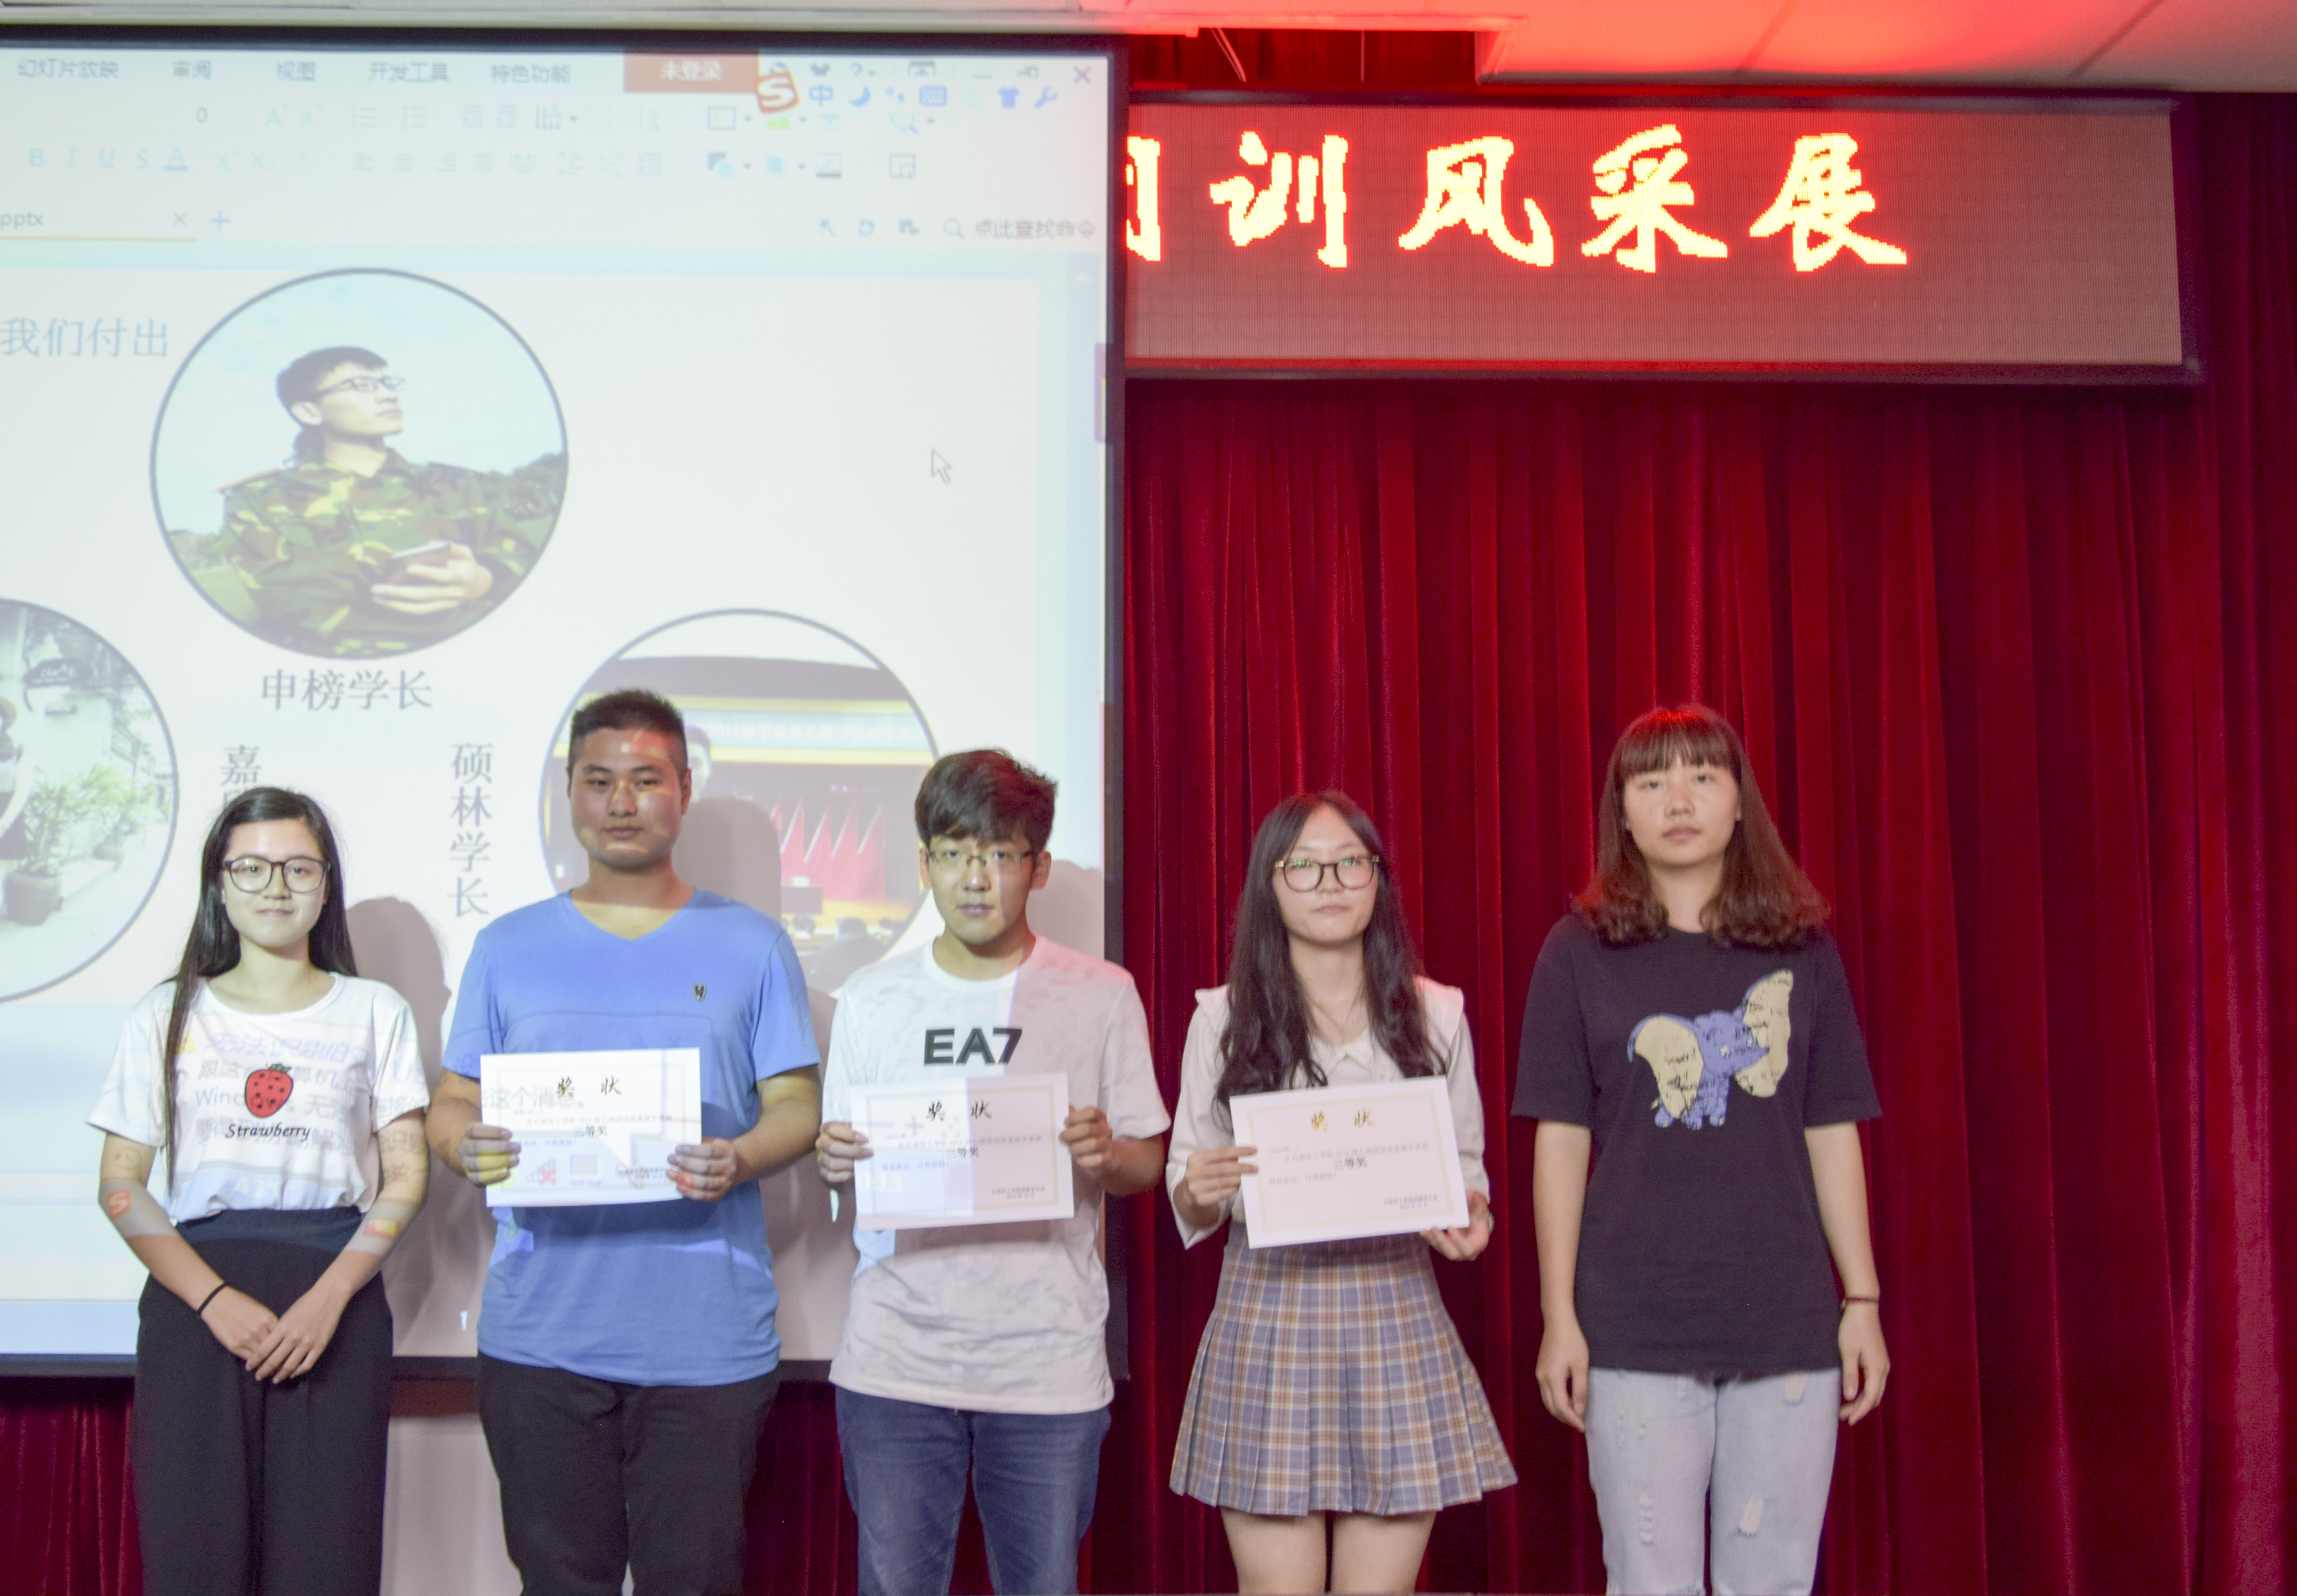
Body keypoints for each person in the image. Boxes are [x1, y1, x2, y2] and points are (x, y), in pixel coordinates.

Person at [426, 687, 821, 1596]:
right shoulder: (507, 945)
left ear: (684, 789)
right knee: (560, 1581)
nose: (621, 801)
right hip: (542, 1338)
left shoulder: (754, 944)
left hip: (706, 1339)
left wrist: (742, 1156)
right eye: (599, 780)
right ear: (569, 791)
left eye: (646, 779)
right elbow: (452, 1102)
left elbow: (796, 1103)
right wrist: (463, 1147)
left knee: (696, 1579)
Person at [1515, 704, 1888, 1596]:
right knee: (1650, 1582)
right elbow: (1559, 1143)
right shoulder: (1576, 952)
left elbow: (1831, 1128)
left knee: (1774, 1581)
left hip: (1786, 1320)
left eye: (1701, 777)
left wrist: (1862, 1299)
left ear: (1738, 802)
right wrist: (1560, 1315)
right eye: (1651, 782)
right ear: (1622, 809)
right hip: (1633, 1322)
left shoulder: (1802, 950)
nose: (1677, 800)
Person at [814, 750, 1169, 1596]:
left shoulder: (1101, 993)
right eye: (953, 852)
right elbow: (841, 1156)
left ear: (1037, 866)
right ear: (925, 862)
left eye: (1000, 854)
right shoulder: (871, 997)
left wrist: (1107, 1153)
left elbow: (1146, 1162)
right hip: (896, 1359)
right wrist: (833, 1160)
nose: (974, 878)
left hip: (1045, 1362)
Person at [1168, 791, 1514, 1596]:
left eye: (1350, 863)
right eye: (1305, 866)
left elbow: (1465, 1176)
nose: (1329, 883)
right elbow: (1189, 1187)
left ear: (1377, 878)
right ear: (1271, 883)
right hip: (1268, 1309)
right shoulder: (1222, 1017)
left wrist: (1471, 1219)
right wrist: (1200, 1187)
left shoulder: (1435, 1013)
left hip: (1394, 1305)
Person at [87, 786, 430, 1596]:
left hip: (335, 1303)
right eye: (252, 867)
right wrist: (213, 1301)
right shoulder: (166, 1013)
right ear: (219, 882)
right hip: (197, 1303)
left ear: (326, 882)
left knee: (327, 1561)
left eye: (298, 867)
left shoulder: (374, 1010)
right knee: (194, 1559)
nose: (276, 886)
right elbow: (120, 1185)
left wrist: (331, 1298)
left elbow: (408, 1175)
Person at [189, 345, 562, 656]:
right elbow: (295, 604)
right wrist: (459, 610)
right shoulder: (259, 501)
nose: (388, 395)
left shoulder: (458, 484)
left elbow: (526, 561)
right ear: (308, 411)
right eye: (363, 386)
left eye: (388, 383)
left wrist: (485, 580)